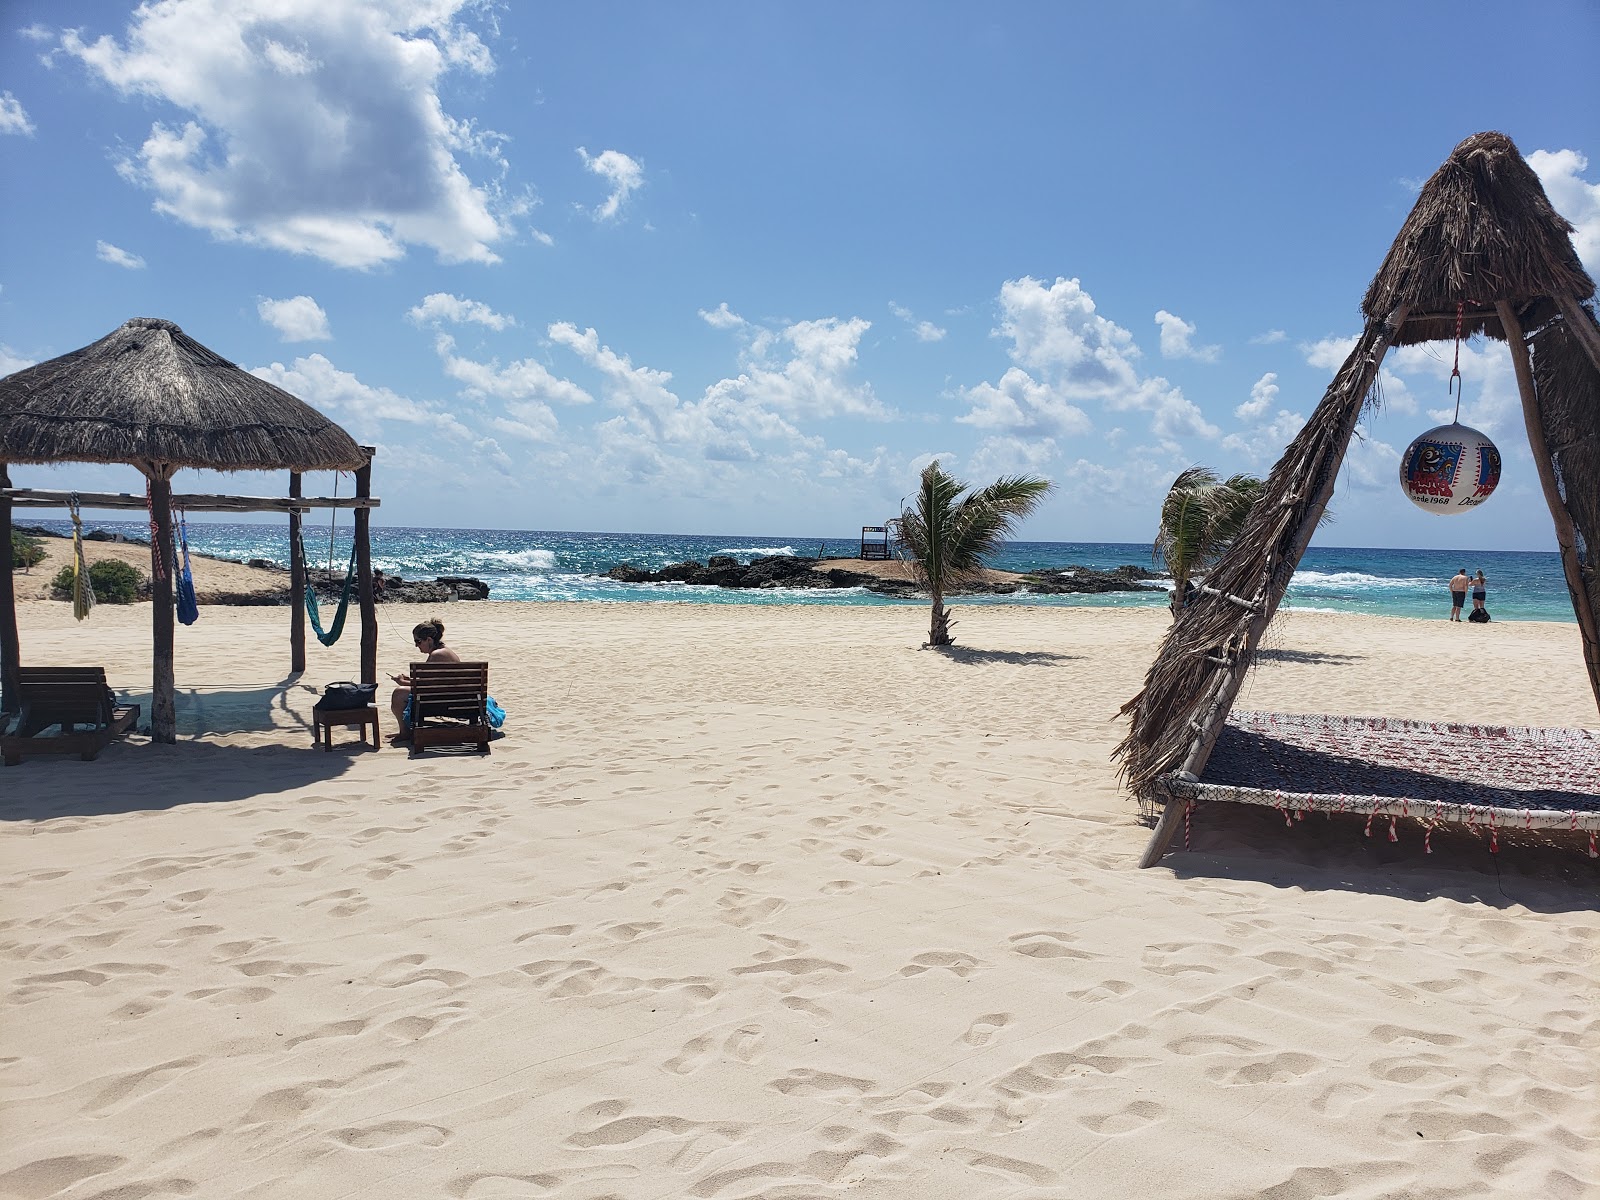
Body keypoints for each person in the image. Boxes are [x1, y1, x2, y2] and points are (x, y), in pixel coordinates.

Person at [389, 617, 461, 736]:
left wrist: (402, 683)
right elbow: (433, 682)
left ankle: (405, 733)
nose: (416, 646)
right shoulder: (445, 651)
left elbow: (423, 685)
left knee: (399, 694)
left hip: (444, 701)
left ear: (429, 640)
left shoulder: (437, 655)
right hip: (455, 698)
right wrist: (410, 680)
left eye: (418, 641)